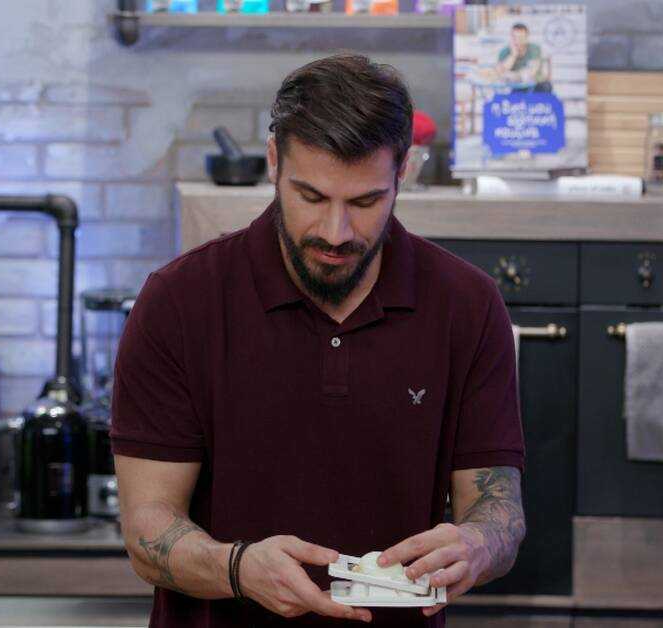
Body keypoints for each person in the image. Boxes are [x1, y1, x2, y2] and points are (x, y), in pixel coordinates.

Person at [111, 54, 525, 627]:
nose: (336, 232)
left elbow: (499, 509)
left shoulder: (467, 305)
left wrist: (477, 545)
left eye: (365, 202)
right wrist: (238, 569)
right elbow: (146, 530)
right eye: (311, 197)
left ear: (403, 173)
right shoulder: (179, 301)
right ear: (274, 161)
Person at [496, 23, 552, 93]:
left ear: (526, 37)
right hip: (515, 87)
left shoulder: (534, 49)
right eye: (514, 37)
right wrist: (513, 55)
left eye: (521, 37)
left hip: (537, 85)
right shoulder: (504, 51)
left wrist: (511, 75)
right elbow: (500, 72)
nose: (517, 40)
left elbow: (532, 71)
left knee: (544, 86)